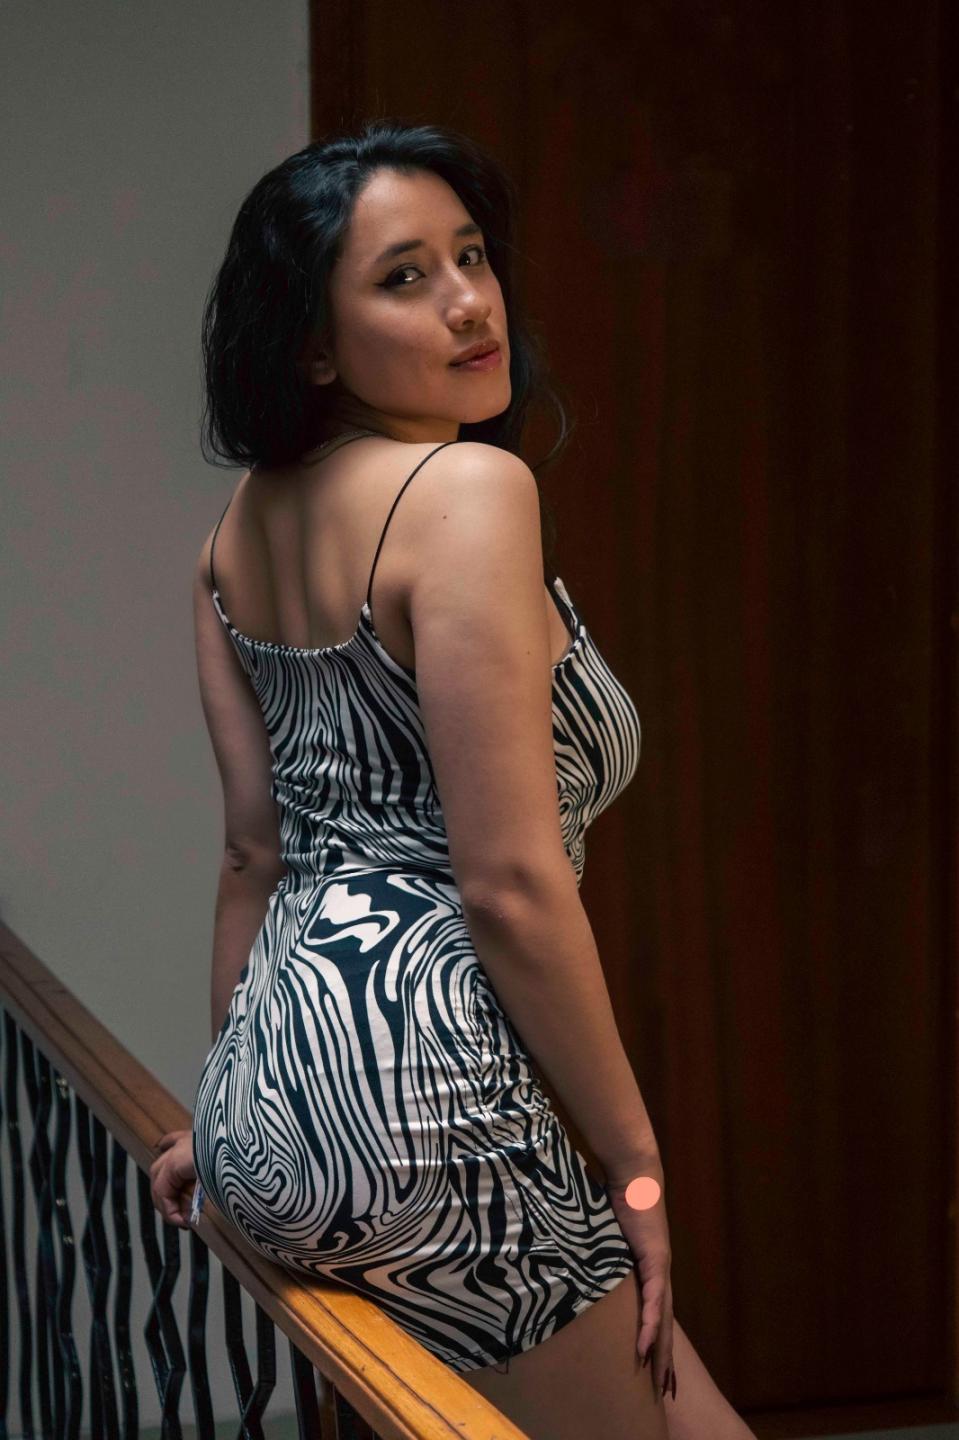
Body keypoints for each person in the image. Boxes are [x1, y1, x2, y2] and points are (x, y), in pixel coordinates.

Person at [150, 119, 756, 1440]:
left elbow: (257, 854)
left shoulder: (232, 534)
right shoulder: (468, 490)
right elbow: (508, 884)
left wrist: (238, 1114)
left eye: (471, 256)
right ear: (314, 344)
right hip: (430, 1110)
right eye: (404, 277)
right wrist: (637, 1169)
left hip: (269, 1114)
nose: (471, 303)